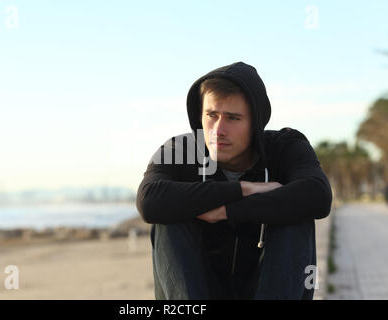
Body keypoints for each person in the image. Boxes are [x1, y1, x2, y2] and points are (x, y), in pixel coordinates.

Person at [135, 61, 333, 300]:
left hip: (268, 289)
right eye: (211, 115)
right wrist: (242, 188)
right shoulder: (180, 150)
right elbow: (149, 201)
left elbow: (318, 196)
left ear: (256, 122)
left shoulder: (285, 147)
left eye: (233, 118)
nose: (218, 130)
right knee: (168, 218)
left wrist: (227, 211)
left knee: (296, 214)